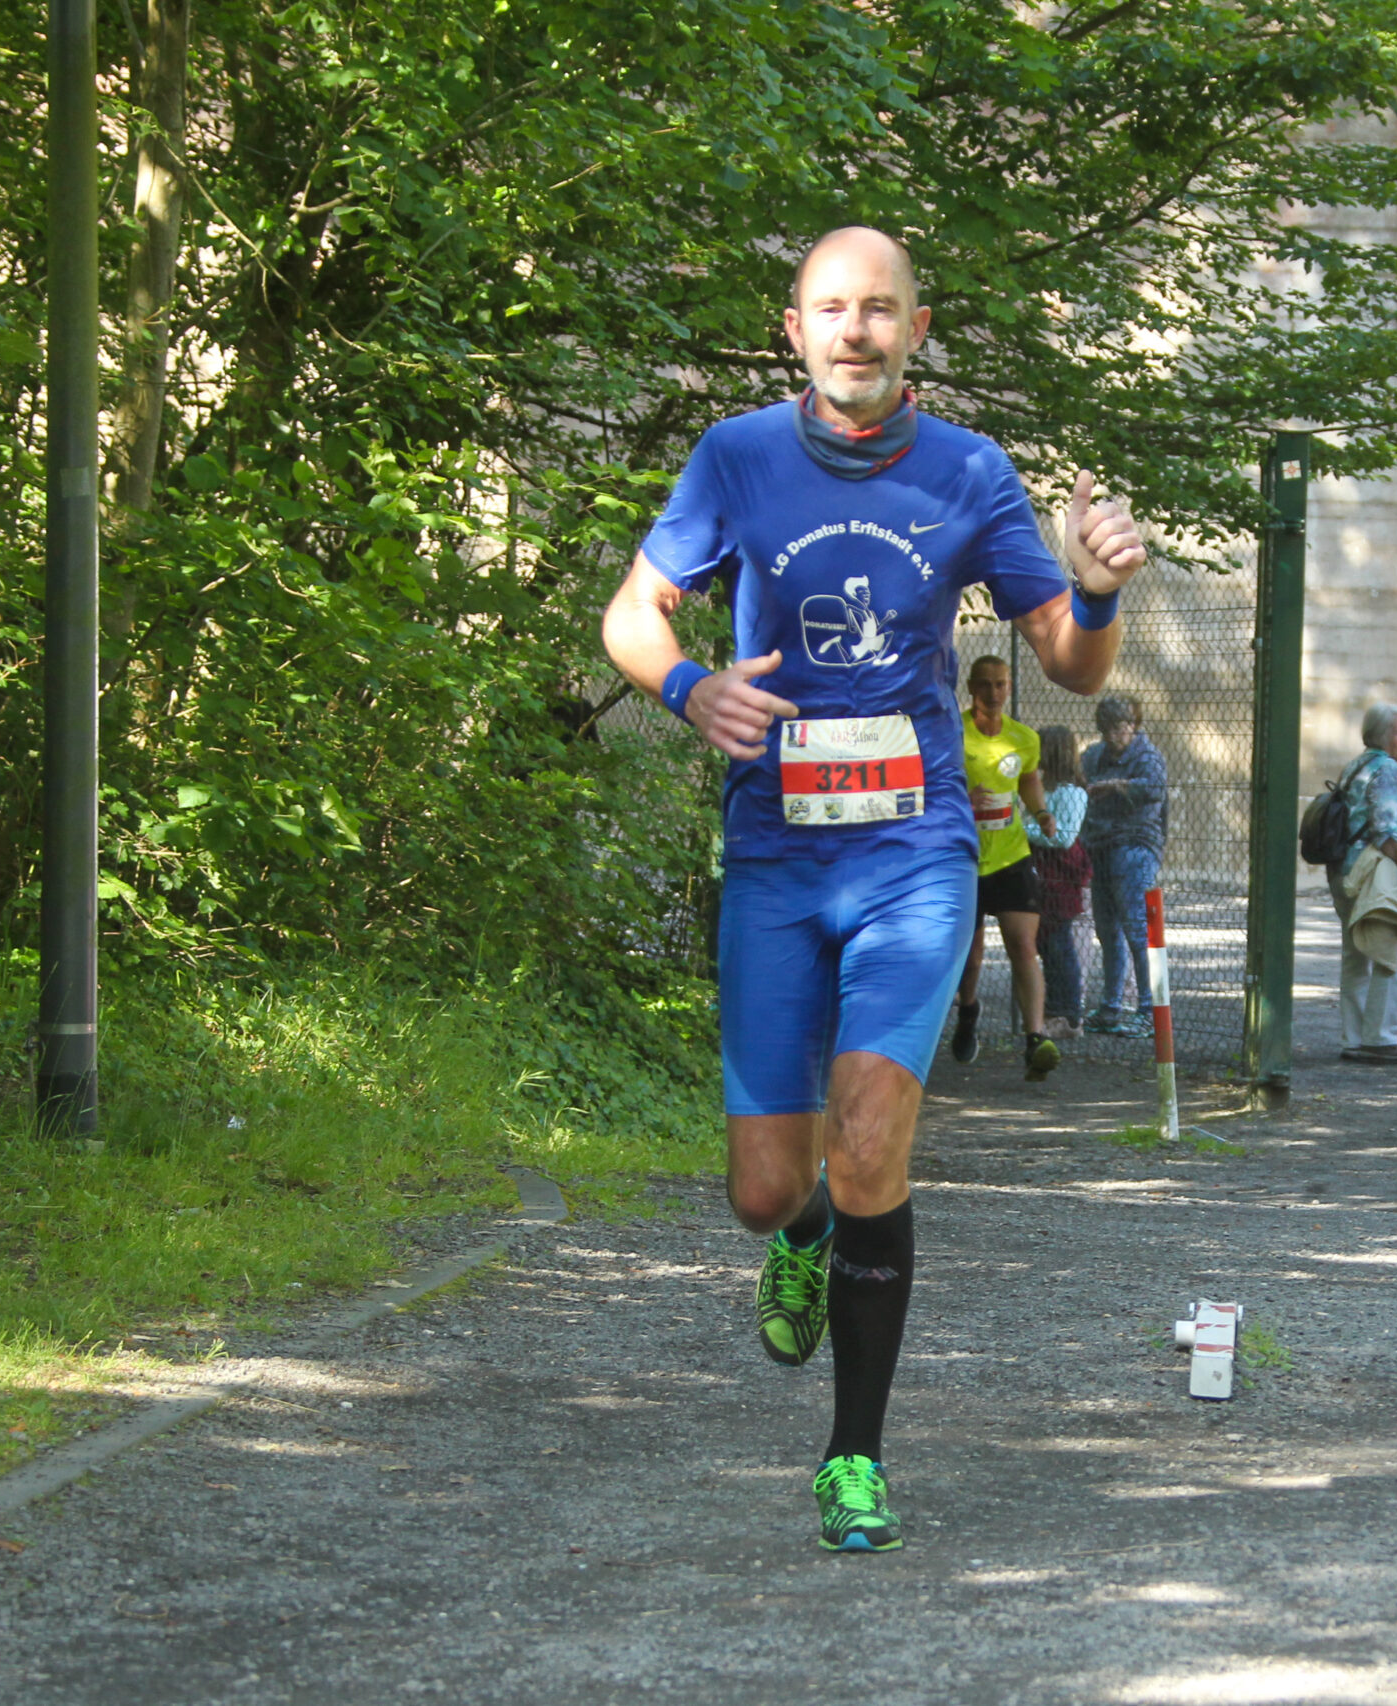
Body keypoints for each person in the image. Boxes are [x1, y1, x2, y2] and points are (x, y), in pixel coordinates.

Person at [600, 225, 1147, 1553]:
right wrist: (688, 687)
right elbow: (633, 614)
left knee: (868, 1142)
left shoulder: (969, 470)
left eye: (881, 309)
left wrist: (1093, 592)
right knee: (765, 1188)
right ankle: (796, 1237)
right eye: (832, 309)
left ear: (916, 328)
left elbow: (1071, 661)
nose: (857, 329)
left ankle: (853, 1455)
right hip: (776, 856)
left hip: (914, 854)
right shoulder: (735, 457)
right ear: (795, 330)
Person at [951, 656, 1059, 1079]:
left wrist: (1041, 811)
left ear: (1009, 687)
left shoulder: (1024, 738)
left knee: (1023, 946)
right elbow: (930, 785)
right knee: (971, 957)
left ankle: (1035, 1039)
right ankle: (968, 1011)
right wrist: (962, 800)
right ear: (970, 688)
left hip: (1012, 856)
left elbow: (1028, 778)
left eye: (1000, 685)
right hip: (965, 859)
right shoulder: (953, 733)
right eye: (985, 685)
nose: (993, 693)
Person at [1328, 703, 1397, 1064]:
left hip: (1345, 870)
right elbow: (1385, 829)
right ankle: (1380, 1038)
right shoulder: (1385, 767)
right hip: (1374, 873)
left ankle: (1353, 1038)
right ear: (1383, 735)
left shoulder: (1357, 764)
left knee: (1355, 954)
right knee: (1391, 952)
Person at [1082, 693, 1167, 1038]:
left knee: (1137, 929)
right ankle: (1110, 1007)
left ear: (1134, 725)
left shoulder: (1147, 756)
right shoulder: (1095, 755)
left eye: (1122, 726)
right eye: (1109, 728)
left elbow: (1154, 789)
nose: (1115, 734)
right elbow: (1079, 778)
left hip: (1134, 846)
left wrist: (1118, 786)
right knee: (1107, 931)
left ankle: (1148, 1010)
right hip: (1099, 846)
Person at [1028, 726, 1090, 1040]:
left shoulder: (1071, 792)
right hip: (1040, 875)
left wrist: (1022, 830)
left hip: (1060, 875)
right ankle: (1054, 1011)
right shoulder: (1042, 787)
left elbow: (1063, 837)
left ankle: (1068, 1015)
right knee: (1044, 943)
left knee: (1059, 944)